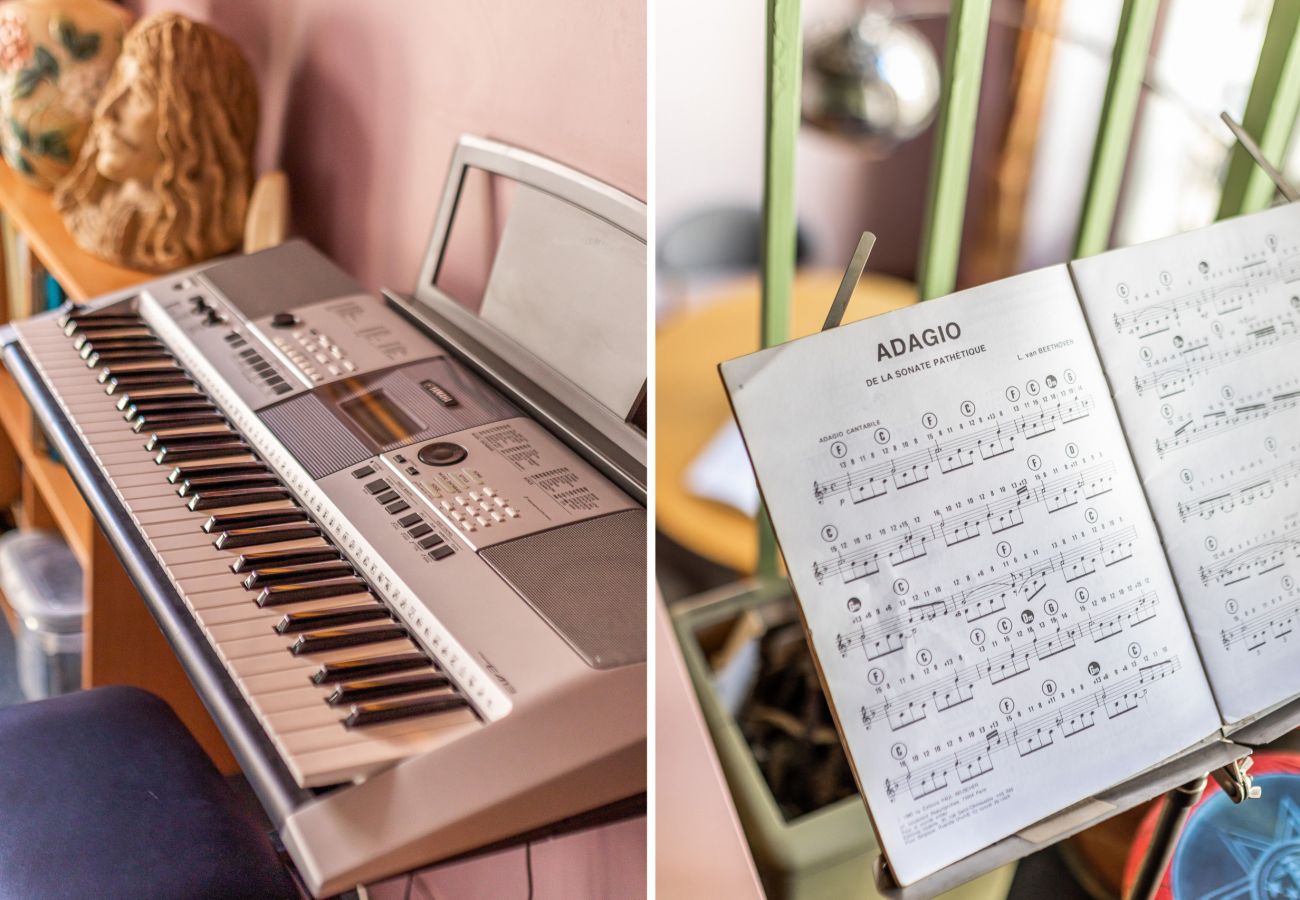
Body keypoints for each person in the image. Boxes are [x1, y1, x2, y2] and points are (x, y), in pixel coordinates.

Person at [54, 12, 257, 272]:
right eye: (118, 87)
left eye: (139, 95)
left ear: (195, 124)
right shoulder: (92, 209)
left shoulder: (201, 233)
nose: (107, 111)